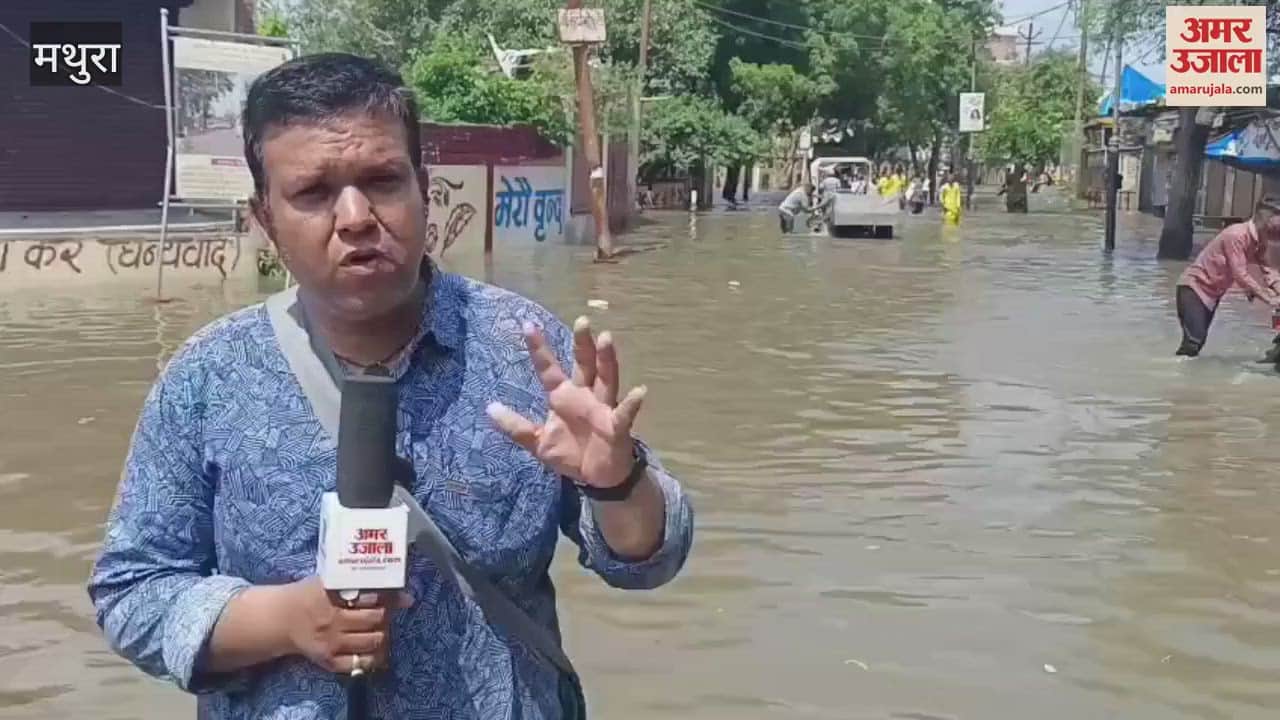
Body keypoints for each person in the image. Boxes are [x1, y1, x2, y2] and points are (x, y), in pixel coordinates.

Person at [86, 53, 695, 720]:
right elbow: (133, 590)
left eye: (381, 180)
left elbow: (648, 561)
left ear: (423, 189)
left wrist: (616, 482)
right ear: (265, 219)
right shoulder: (207, 377)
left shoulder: (525, 348)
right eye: (313, 193)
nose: (354, 217)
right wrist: (284, 619)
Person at [1175, 196, 1280, 358]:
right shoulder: (1236, 235)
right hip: (1194, 288)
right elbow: (1240, 274)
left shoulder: (1260, 239)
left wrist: (1278, 290)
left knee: (1197, 343)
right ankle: (1172, 375)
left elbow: (1267, 269)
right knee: (1193, 343)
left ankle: (1185, 376)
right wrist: (1267, 297)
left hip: (1212, 293)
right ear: (1267, 217)